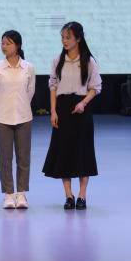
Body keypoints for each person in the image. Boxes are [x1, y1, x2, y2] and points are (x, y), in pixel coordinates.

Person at [41, 22, 102, 210]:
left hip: (81, 109)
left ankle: (82, 196)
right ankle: (68, 195)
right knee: (64, 152)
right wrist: (53, 111)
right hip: (63, 108)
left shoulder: (89, 61)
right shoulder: (57, 60)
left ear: (78, 39)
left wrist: (83, 103)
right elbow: (53, 87)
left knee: (83, 152)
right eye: (62, 37)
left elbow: (95, 87)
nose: (64, 41)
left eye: (68, 37)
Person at [0, 29, 36, 209]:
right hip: (2, 118)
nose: (4, 46)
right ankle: (8, 194)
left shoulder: (28, 67)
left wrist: (21, 106)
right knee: (5, 158)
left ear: (18, 45)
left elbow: (30, 91)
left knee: (23, 157)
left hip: (24, 117)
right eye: (2, 43)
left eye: (8, 43)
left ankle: (21, 193)